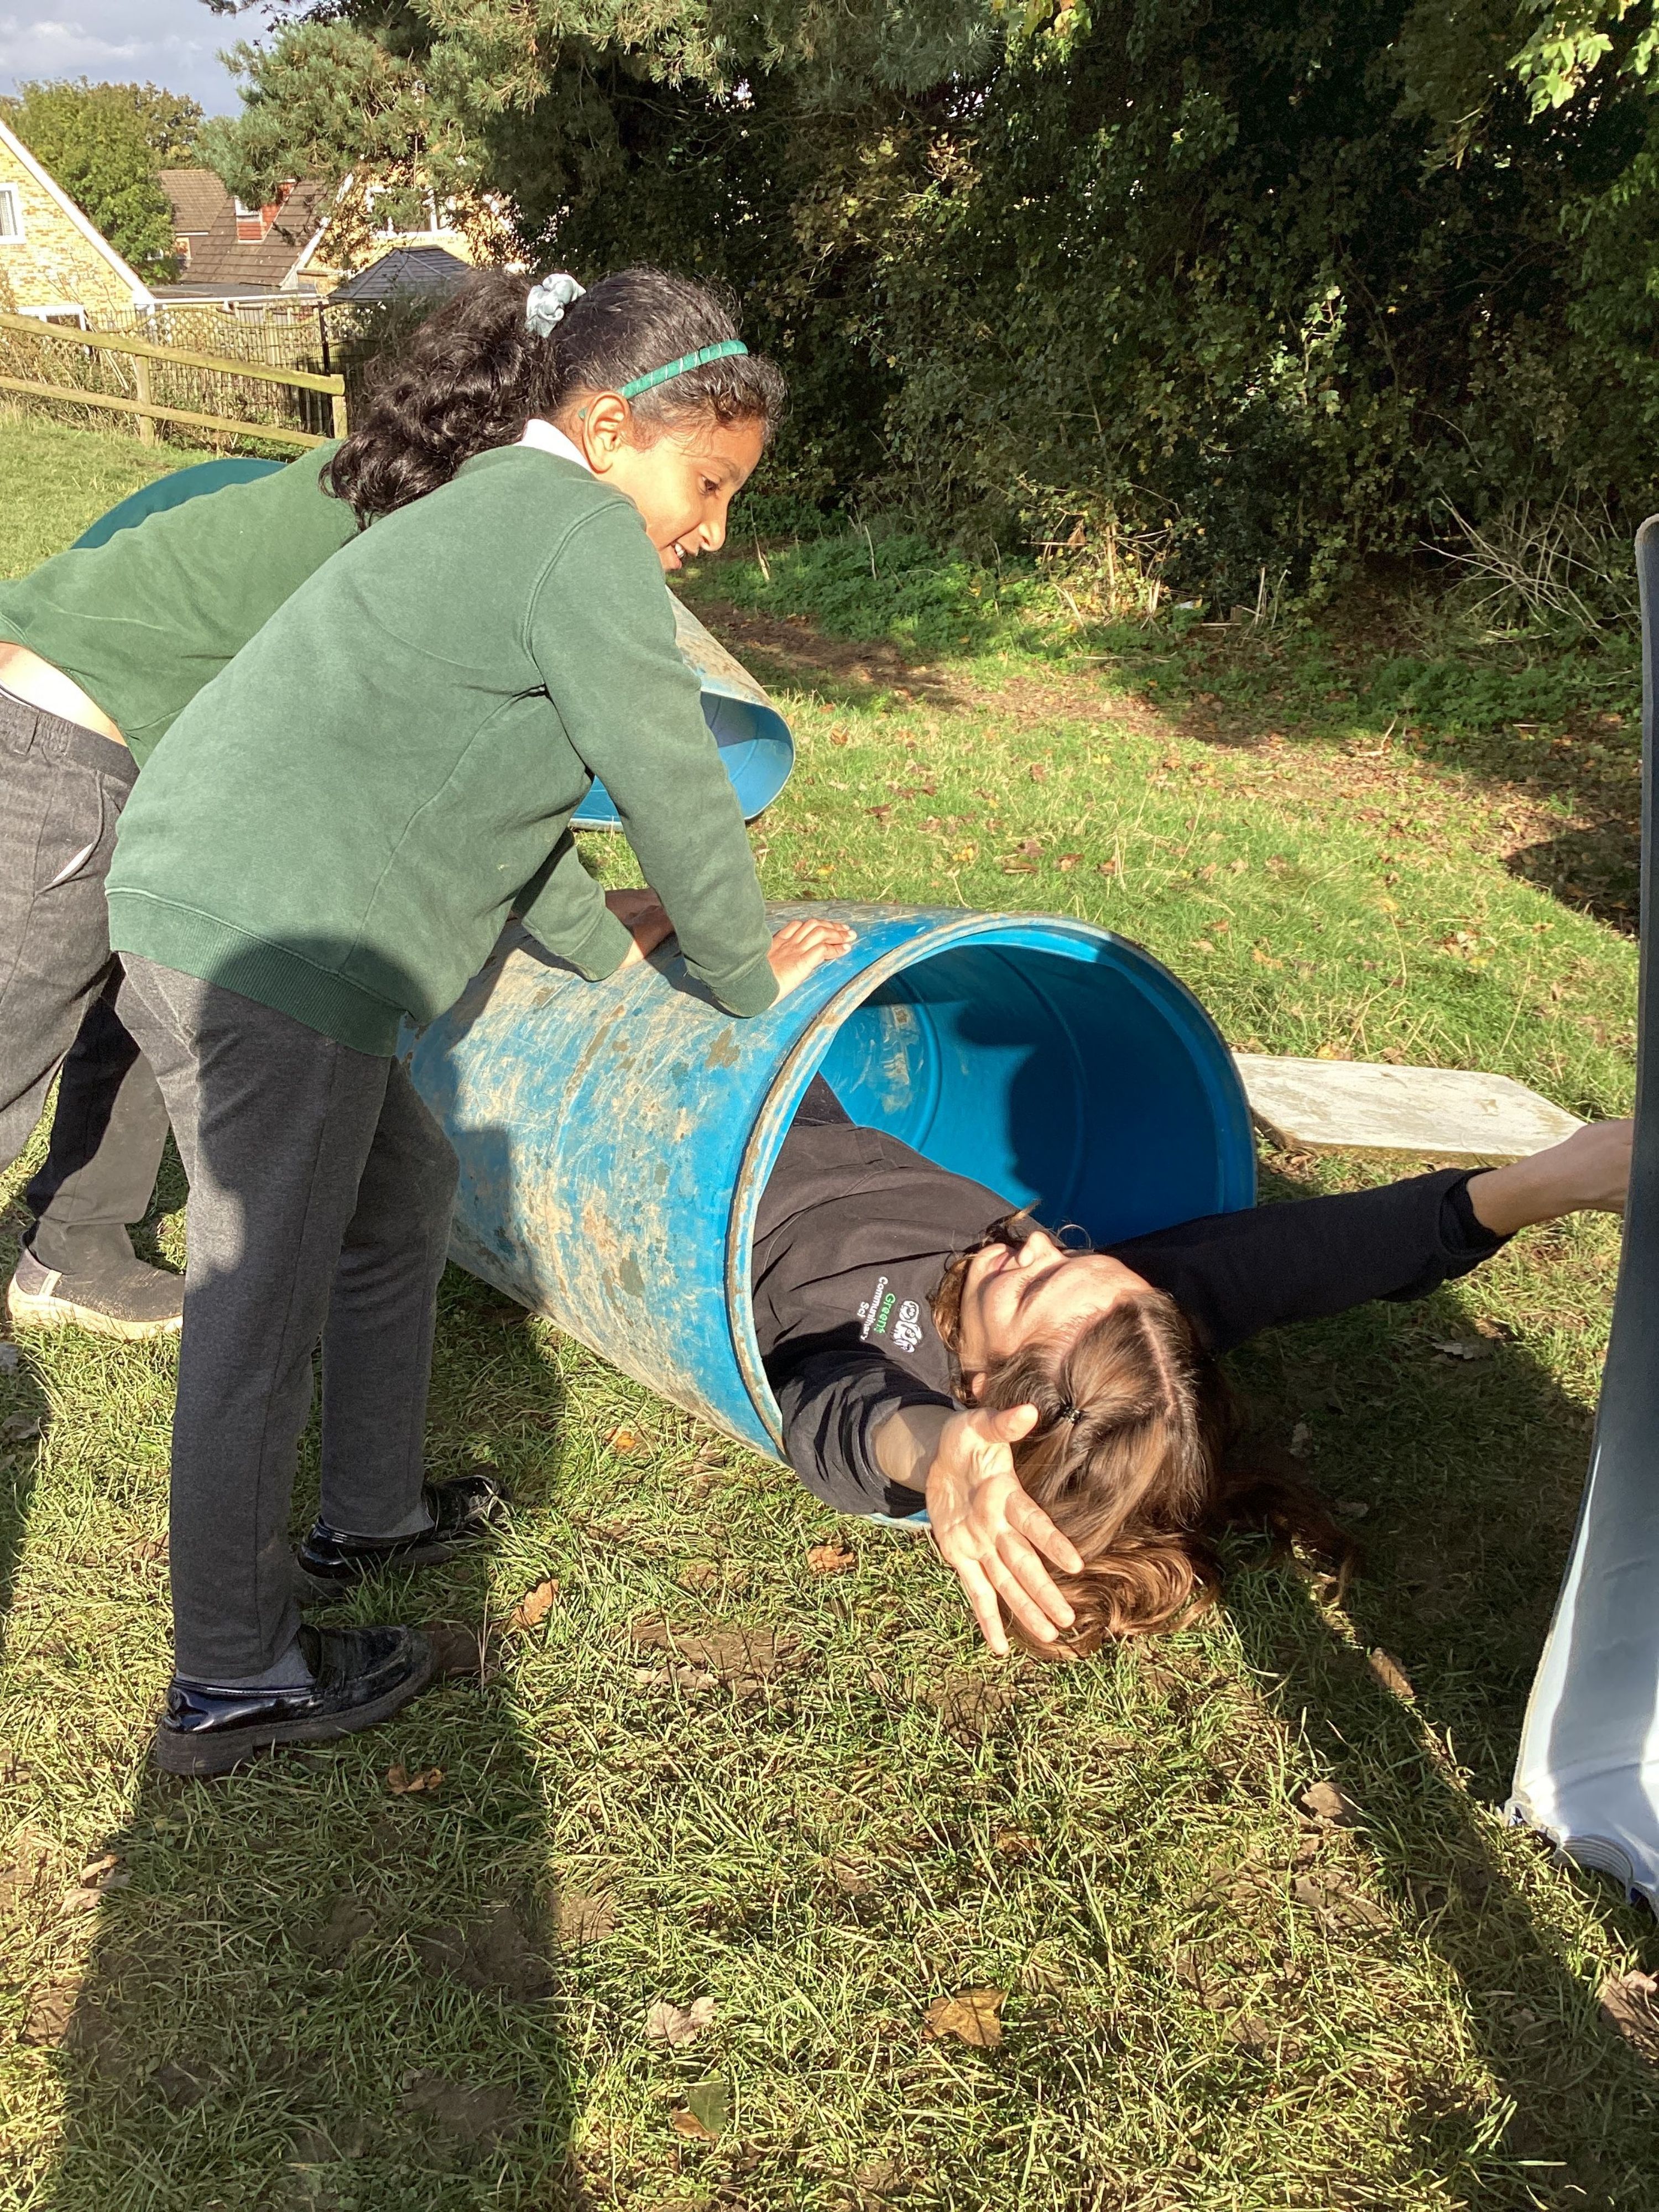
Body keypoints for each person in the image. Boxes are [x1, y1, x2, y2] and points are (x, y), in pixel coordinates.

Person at [101, 265, 855, 1776]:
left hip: (222, 907)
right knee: (259, 1308)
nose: (714, 529)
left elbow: (504, 823)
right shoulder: (575, 529)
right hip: (274, 944)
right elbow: (670, 776)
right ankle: (233, 1674)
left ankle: (371, 1512)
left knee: (403, 1195)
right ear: (609, 427)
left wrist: (623, 971)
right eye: (708, 484)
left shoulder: (498, 514)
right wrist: (745, 976)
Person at [755, 1078, 1633, 1656]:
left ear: (984, 1389)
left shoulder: (876, 1351)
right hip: (789, 1080)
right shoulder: (1070, 1315)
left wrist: (934, 1449)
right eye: (1073, 1254)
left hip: (698, 1138)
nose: (1033, 1241)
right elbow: (1297, 1258)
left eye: (1036, 1283)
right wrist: (1541, 1187)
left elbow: (839, 1416)